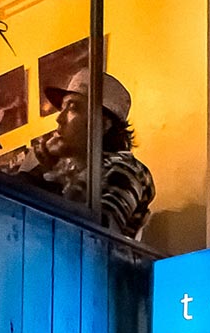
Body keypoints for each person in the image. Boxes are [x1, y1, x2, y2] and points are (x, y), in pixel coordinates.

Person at [9, 68, 155, 243]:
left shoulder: (125, 168)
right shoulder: (67, 172)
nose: (59, 119)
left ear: (102, 124)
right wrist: (41, 172)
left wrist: (37, 179)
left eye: (73, 108)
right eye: (62, 108)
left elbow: (95, 233)